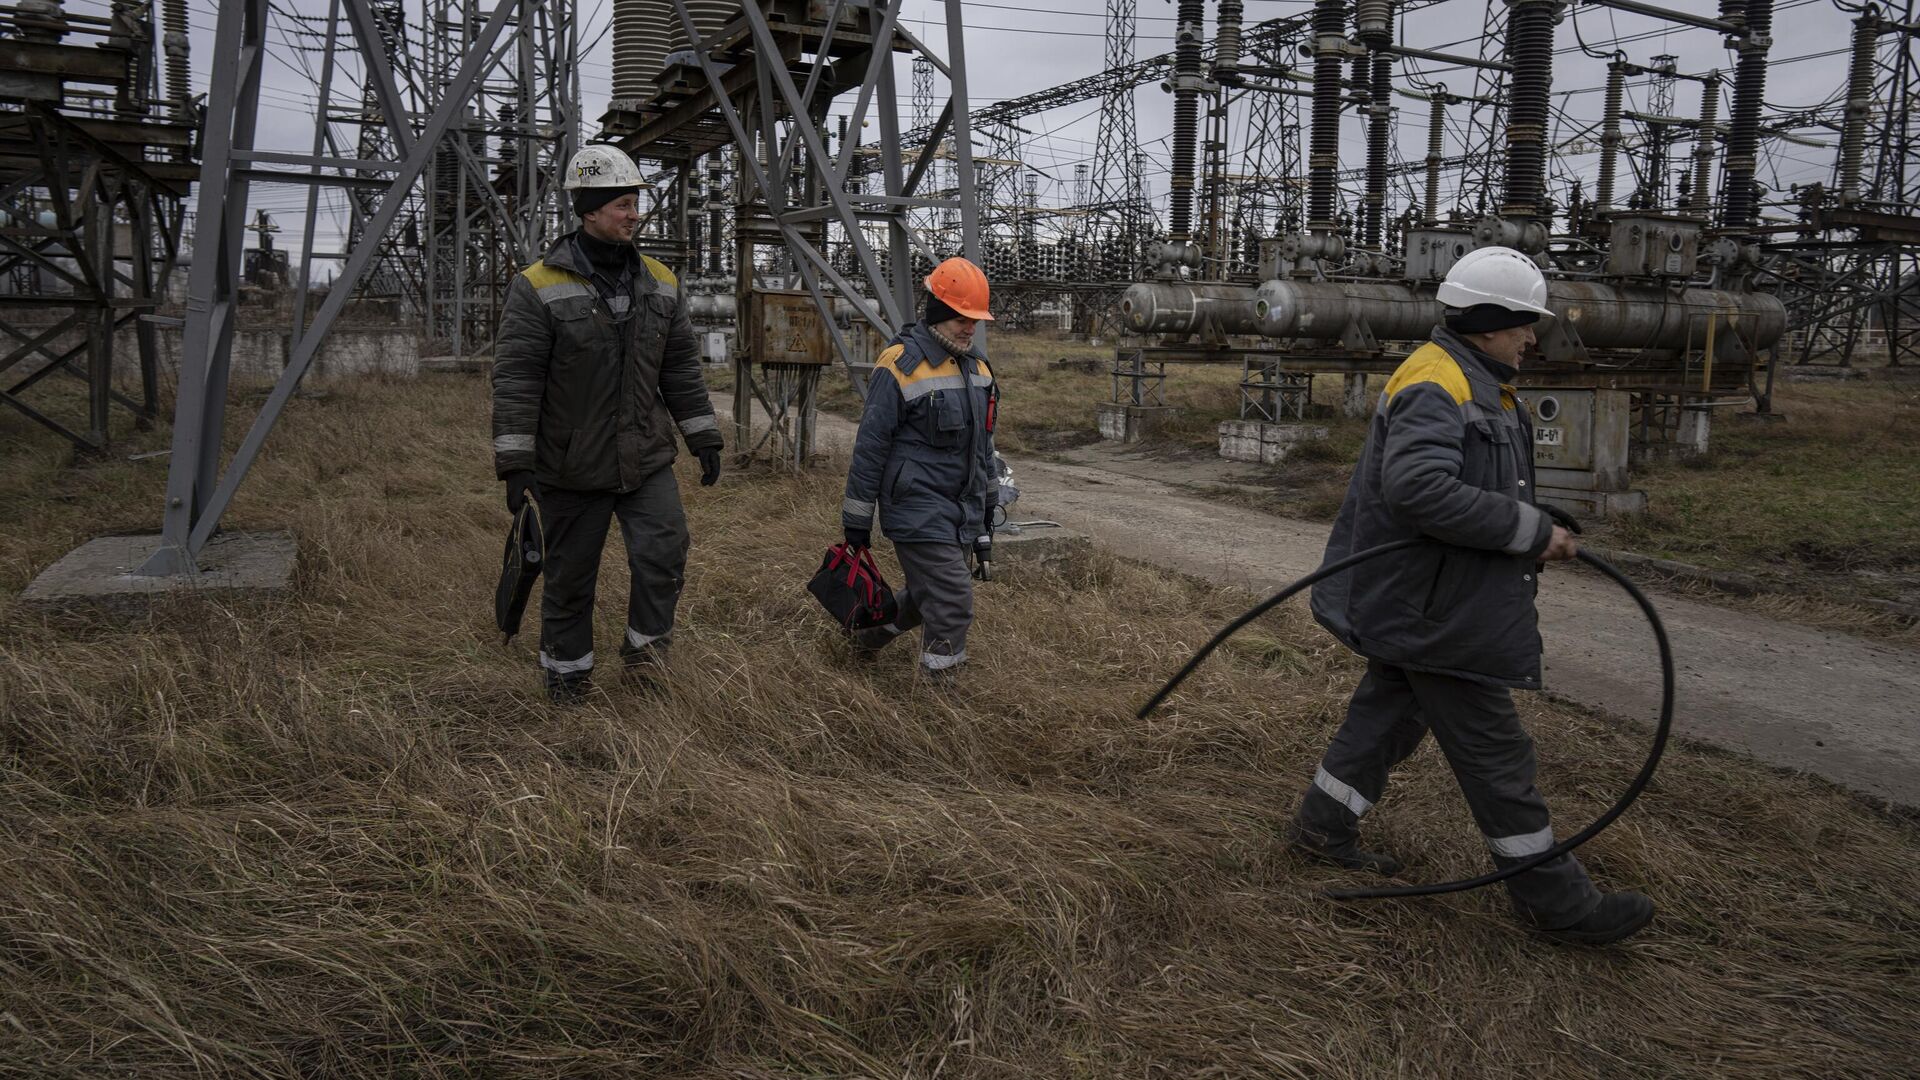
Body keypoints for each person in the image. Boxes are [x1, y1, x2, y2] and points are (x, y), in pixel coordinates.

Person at [1288, 246, 1655, 945]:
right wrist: (1526, 530)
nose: (1532, 336)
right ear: (1489, 321)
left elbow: (1472, 482)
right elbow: (1421, 489)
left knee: (1386, 722)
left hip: (1422, 600)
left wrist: (1546, 522)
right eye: (1524, 323)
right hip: (1435, 611)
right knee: (1498, 756)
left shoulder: (1473, 378)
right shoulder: (1438, 381)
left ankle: (1320, 828)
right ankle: (1560, 905)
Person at [490, 145, 723, 703]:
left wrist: (703, 435)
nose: (634, 213)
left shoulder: (661, 281)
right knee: (570, 578)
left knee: (664, 555)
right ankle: (567, 679)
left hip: (645, 457)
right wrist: (516, 462)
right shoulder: (538, 285)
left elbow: (679, 366)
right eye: (622, 203)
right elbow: (517, 378)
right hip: (571, 464)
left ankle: (647, 663)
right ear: (590, 209)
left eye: (636, 201)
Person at [839, 257, 1000, 679]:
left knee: (926, 593)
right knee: (951, 600)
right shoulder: (899, 365)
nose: (969, 328)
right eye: (961, 319)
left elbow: (983, 445)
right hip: (916, 508)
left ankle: (866, 637)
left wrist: (989, 504)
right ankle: (940, 696)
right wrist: (857, 520)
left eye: (974, 321)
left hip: (960, 508)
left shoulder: (979, 368)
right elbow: (871, 447)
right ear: (938, 314)